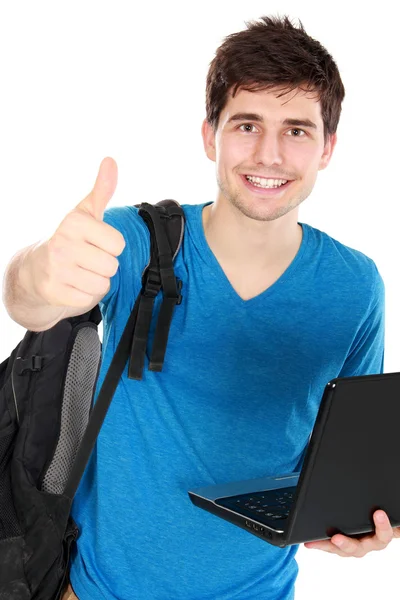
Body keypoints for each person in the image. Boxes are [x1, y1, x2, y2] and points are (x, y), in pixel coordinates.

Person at [3, 13, 399, 600]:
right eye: (246, 124)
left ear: (328, 148)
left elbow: (354, 449)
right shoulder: (136, 241)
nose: (269, 154)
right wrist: (39, 271)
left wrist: (366, 520)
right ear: (210, 134)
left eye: (296, 130)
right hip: (99, 590)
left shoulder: (356, 284)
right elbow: (26, 298)